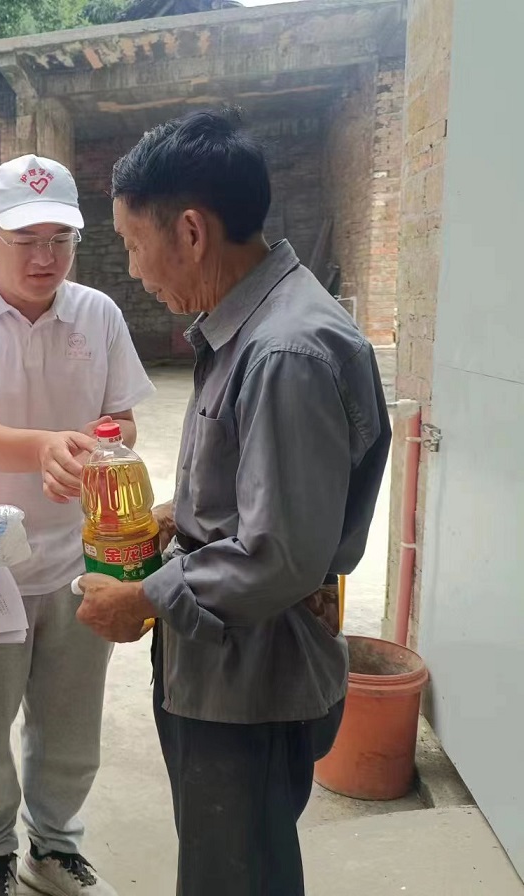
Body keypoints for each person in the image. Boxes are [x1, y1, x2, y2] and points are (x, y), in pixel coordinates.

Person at [76, 109, 392, 895]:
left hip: (249, 685)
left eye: (132, 243)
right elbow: (265, 497)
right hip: (227, 671)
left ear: (189, 231)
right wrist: (173, 518)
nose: (133, 269)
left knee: (233, 877)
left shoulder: (283, 350)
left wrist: (140, 598)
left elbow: (276, 555)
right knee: (239, 869)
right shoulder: (254, 326)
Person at [0, 154, 155, 896]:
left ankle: (53, 847)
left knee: (70, 722)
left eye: (61, 240)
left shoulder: (97, 313)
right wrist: (47, 445)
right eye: (26, 240)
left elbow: (122, 420)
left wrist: (95, 448)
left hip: (80, 559)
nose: (45, 258)